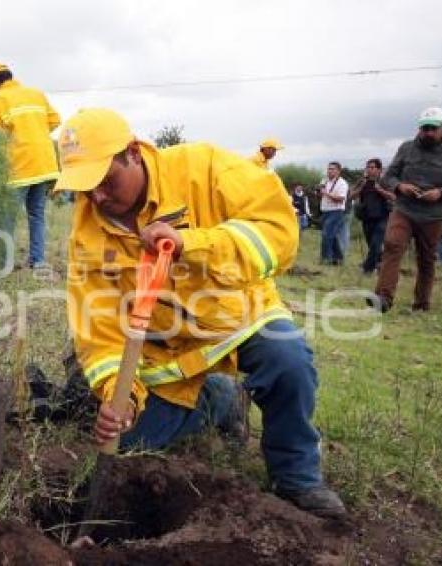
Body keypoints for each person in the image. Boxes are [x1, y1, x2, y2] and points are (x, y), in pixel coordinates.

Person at [55, 108, 346, 518]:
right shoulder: (87, 234)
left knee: (289, 360)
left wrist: (193, 244)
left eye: (105, 181)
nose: (98, 198)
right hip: (166, 350)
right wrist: (121, 399)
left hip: (235, 319)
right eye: (85, 188)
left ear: (133, 154)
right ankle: (220, 402)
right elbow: (97, 332)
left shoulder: (204, 167)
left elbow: (278, 234)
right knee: (133, 441)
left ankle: (297, 477)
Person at [369, 107, 442, 313]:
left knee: (426, 258)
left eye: (433, 128)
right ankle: (383, 298)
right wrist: (400, 186)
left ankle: (422, 304)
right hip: (404, 209)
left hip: (433, 215)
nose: (428, 133)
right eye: (425, 128)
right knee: (392, 246)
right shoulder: (406, 148)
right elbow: (389, 176)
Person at [0, 63, 61, 269]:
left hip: (18, 166)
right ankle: (38, 261)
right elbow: (55, 120)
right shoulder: (36, 94)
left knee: (7, 217)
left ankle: (4, 263)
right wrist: (35, 131)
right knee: (36, 215)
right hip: (44, 164)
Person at [349, 158, 394, 274]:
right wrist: (361, 187)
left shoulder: (385, 182)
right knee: (372, 245)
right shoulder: (363, 181)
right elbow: (351, 196)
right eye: (368, 167)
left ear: (379, 170)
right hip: (366, 217)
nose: (369, 170)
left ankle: (366, 268)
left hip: (382, 217)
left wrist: (380, 191)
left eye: (372, 167)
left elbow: (394, 197)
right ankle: (380, 264)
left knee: (375, 243)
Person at [318, 162, 349, 265]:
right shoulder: (325, 181)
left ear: (338, 171)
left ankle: (326, 258)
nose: (329, 171)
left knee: (326, 234)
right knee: (332, 235)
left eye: (332, 169)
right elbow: (321, 194)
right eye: (329, 169)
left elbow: (341, 199)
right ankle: (338, 258)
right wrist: (318, 192)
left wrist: (326, 193)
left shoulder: (342, 183)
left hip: (336, 211)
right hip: (325, 210)